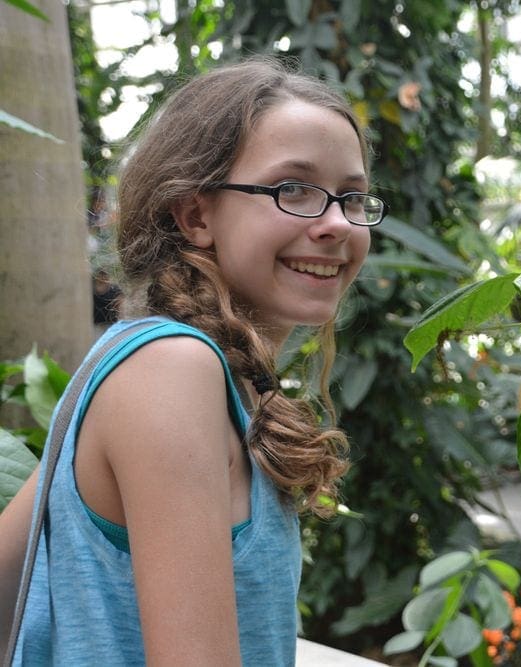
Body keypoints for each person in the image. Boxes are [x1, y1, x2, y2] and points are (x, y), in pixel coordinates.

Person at [0, 57, 385, 665]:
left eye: (353, 197)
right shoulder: (170, 370)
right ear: (195, 215)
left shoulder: (161, 362)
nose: (337, 224)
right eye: (295, 190)